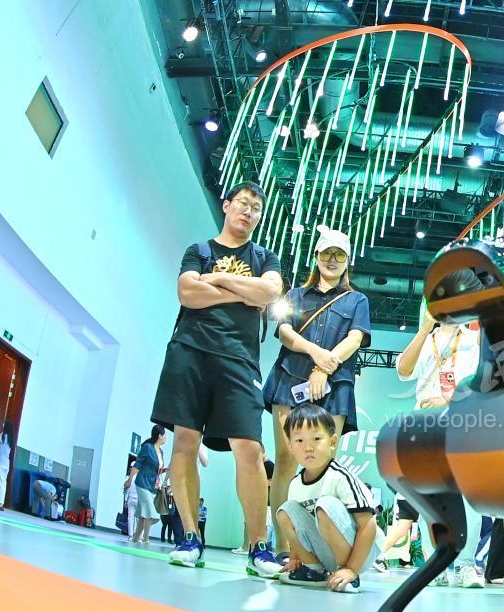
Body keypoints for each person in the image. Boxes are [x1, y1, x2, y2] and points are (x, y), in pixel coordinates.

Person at [150, 181, 284, 576]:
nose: (248, 212)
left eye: (256, 208)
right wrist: (243, 293)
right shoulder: (200, 250)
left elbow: (270, 293)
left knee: (250, 448)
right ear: (227, 205)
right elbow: (187, 294)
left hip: (240, 358)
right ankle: (190, 537)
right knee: (184, 442)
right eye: (243, 203)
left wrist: (214, 281)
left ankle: (259, 546)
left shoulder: (265, 257)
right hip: (190, 351)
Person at [265, 227, 370, 552]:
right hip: (290, 379)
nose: (332, 260)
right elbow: (285, 332)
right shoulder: (296, 295)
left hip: (335, 384)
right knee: (285, 460)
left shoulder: (358, 300)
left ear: (348, 260)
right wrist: (316, 354)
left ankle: (321, 550)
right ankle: (283, 547)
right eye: (327, 253)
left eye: (339, 254)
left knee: (324, 465)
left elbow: (355, 338)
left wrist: (324, 369)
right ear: (317, 256)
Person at [394, 300, 485, 588]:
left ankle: (466, 565)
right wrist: (424, 329)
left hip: (463, 421)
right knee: (430, 494)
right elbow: (403, 371)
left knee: (468, 493)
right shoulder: (426, 338)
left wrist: (448, 400)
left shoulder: (474, 340)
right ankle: (437, 564)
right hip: (426, 423)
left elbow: (485, 380)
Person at [277, 404, 383, 592]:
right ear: (291, 446)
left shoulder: (340, 476)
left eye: (316, 439)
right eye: (299, 440)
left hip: (362, 551)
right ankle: (313, 571)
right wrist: (295, 558)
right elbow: (296, 524)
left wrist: (352, 569)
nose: (308, 447)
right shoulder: (295, 483)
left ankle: (346, 574)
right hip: (327, 550)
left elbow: (368, 525)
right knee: (285, 511)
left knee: (325, 505)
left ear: (333, 442)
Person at [124, 424, 166, 544]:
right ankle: (146, 538)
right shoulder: (147, 447)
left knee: (143, 514)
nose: (166, 438)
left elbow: (156, 469)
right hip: (142, 483)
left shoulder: (161, 452)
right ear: (160, 436)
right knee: (150, 512)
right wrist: (129, 480)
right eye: (165, 435)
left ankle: (135, 538)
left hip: (152, 485)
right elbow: (138, 464)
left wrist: (165, 470)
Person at [0, 421, 14, 510]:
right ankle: (0, 502)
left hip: (1, 462)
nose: (3, 425)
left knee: (0, 482)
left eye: (4, 424)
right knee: (3, 483)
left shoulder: (4, 435)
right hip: (6, 463)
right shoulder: (10, 438)